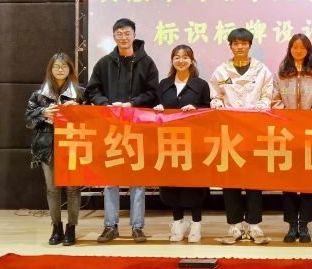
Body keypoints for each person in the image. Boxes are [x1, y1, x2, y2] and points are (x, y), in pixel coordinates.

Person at [85, 18, 158, 243]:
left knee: (138, 179)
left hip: (138, 127)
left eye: (127, 33)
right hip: (111, 128)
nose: (123, 37)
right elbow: (92, 90)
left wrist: (132, 104)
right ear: (114, 36)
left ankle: (137, 226)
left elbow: (153, 93)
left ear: (134, 35)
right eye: (119, 34)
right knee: (110, 178)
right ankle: (110, 226)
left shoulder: (147, 63)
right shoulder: (104, 63)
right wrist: (106, 104)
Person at [209, 27, 276, 245]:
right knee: (230, 179)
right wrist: (217, 103)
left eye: (244, 43)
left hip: (254, 131)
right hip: (229, 133)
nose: (240, 47)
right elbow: (216, 95)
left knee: (254, 178)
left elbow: (268, 95)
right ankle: (235, 225)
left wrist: (261, 107)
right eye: (236, 43)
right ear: (230, 46)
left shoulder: (262, 70)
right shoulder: (222, 71)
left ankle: (254, 225)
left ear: (250, 45)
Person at [271, 34, 312, 244]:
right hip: (287, 134)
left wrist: (307, 121)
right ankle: (291, 225)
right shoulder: (281, 74)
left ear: (308, 50)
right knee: (288, 182)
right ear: (290, 49)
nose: (298, 51)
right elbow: (275, 100)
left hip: (310, 134)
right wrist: (288, 120)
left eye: (302, 48)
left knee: (307, 182)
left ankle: (304, 225)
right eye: (294, 47)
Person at [153, 45, 211, 244]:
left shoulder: (201, 84)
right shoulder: (164, 84)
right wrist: (158, 108)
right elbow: (156, 107)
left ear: (192, 61)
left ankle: (196, 224)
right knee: (173, 183)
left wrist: (196, 109)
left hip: (194, 143)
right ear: (172, 61)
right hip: (169, 142)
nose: (181, 61)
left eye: (185, 57)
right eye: (176, 57)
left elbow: (208, 109)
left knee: (194, 184)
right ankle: (177, 223)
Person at [25, 52, 83, 246]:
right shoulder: (38, 95)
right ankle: (56, 227)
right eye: (56, 66)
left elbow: (93, 117)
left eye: (64, 66)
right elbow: (28, 121)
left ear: (70, 69)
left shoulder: (80, 93)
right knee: (52, 189)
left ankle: (71, 227)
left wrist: (77, 109)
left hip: (74, 145)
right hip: (47, 147)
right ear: (50, 69)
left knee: (73, 189)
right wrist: (43, 113)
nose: (60, 69)